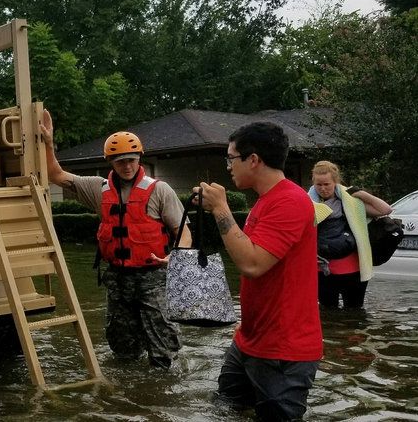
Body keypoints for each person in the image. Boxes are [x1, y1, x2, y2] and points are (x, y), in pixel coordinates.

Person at [39, 110, 190, 368]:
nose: (127, 166)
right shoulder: (98, 189)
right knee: (122, 350)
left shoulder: (159, 190)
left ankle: (165, 385)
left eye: (131, 160)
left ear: (139, 158)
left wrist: (176, 256)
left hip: (153, 277)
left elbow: (183, 231)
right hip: (118, 280)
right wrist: (49, 144)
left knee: (164, 349)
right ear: (110, 162)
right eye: (120, 162)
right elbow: (56, 175)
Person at [196, 122, 321, 421]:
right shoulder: (266, 200)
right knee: (226, 411)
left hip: (283, 351)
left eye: (231, 158)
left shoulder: (290, 201)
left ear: (253, 159)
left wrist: (220, 208)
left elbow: (252, 264)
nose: (229, 166)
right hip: (250, 339)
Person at [308, 160, 392, 310]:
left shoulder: (351, 202)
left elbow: (385, 210)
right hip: (321, 270)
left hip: (352, 269)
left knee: (355, 312)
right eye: (318, 185)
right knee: (328, 313)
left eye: (327, 184)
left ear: (335, 182)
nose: (323, 188)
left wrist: (362, 194)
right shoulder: (307, 204)